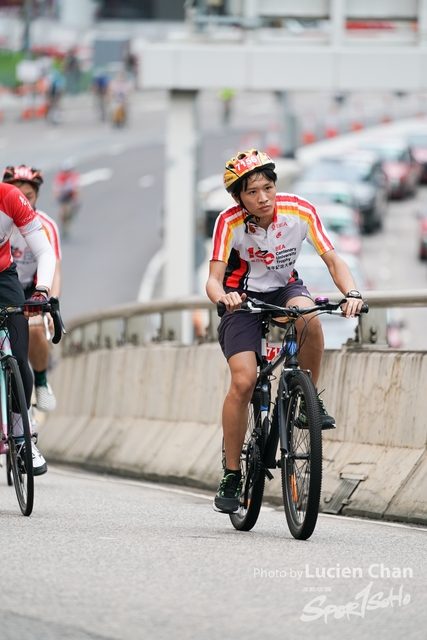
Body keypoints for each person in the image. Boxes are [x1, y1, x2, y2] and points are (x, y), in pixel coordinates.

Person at [206, 148, 365, 514]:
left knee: (309, 318)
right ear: (237, 198)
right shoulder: (228, 221)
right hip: (241, 298)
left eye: (268, 187)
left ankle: (308, 402)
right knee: (244, 381)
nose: (263, 198)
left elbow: (333, 258)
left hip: (283, 288)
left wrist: (351, 292)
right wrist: (226, 298)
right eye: (252, 192)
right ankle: (231, 473)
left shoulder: (299, 210)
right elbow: (213, 281)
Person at [0, 174, 56, 475]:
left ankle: (23, 440)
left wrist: (42, 290)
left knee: (19, 359)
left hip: (3, 277)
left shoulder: (9, 197)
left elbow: (45, 251)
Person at [3, 165, 61, 413]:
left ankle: (21, 433)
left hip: (13, 280)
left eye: (29, 195)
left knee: (22, 347)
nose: (24, 198)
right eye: (20, 192)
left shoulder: (11, 200)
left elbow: (49, 257)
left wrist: (45, 293)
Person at [52, 159, 80, 238]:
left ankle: (70, 221)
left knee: (73, 209)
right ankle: (62, 224)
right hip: (62, 195)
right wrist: (56, 199)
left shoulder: (74, 177)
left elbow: (76, 190)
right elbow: (56, 190)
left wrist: (76, 200)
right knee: (63, 211)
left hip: (70, 195)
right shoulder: (59, 177)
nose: (66, 173)